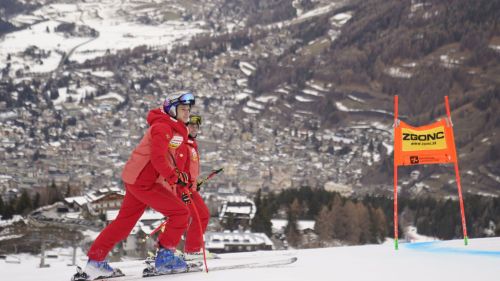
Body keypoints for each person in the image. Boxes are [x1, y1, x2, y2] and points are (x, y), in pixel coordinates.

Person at [83, 92, 196, 280]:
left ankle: (95, 263)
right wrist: (174, 178)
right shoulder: (162, 128)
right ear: (172, 110)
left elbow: (173, 160)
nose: (187, 113)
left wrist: (179, 181)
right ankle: (165, 258)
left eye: (188, 109)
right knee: (181, 213)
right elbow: (158, 159)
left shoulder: (173, 129)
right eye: (183, 109)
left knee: (124, 223)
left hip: (137, 180)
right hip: (144, 183)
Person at [180, 114, 213, 260]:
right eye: (190, 125)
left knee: (201, 215)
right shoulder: (182, 143)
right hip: (181, 188)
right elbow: (177, 166)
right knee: (186, 217)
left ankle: (191, 249)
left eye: (196, 126)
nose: (194, 128)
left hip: (190, 188)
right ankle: (167, 249)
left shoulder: (192, 144)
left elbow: (189, 169)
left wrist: (194, 183)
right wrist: (182, 185)